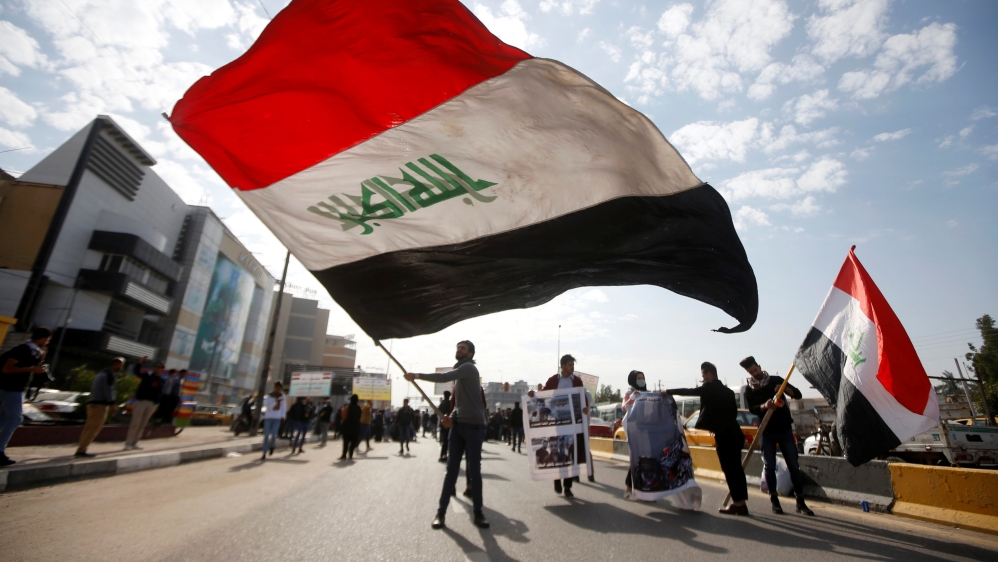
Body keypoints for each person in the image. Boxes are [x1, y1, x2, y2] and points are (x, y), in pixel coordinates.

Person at [406, 340, 489, 530]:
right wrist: (450, 417)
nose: (459, 350)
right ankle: (441, 513)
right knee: (451, 470)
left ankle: (478, 513)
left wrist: (417, 375)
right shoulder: (460, 376)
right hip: (459, 426)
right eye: (458, 348)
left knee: (474, 471)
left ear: (470, 354)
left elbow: (444, 377)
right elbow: (459, 403)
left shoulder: (468, 368)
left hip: (474, 427)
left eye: (463, 348)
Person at [667, 362, 749, 516]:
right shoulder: (729, 392)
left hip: (724, 436)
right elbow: (732, 413)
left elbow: (688, 391)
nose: (703, 379)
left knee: (730, 470)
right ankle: (741, 502)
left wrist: (668, 391)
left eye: (704, 375)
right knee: (737, 470)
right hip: (735, 434)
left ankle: (738, 504)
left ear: (710, 374)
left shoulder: (709, 387)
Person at [740, 356, 814, 516]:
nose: (755, 373)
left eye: (755, 369)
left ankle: (800, 501)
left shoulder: (775, 380)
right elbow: (752, 409)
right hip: (766, 431)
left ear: (759, 366)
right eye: (751, 372)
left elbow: (798, 395)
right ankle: (774, 501)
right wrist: (764, 406)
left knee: (793, 465)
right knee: (769, 466)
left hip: (784, 429)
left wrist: (784, 389)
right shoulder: (749, 389)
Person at [530, 353, 589, 498]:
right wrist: (533, 396)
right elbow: (543, 396)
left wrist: (585, 409)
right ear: (562, 366)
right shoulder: (552, 380)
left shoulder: (577, 381)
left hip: (572, 422)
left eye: (573, 365)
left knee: (570, 453)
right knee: (558, 451)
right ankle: (557, 479)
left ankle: (567, 486)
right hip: (556, 423)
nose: (572, 368)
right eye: (570, 365)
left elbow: (582, 399)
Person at [0, 327, 52, 466]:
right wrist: (31, 369)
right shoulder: (23, 349)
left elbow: (34, 366)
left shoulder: (33, 351)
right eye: (47, 340)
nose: (47, 343)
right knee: (15, 419)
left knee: (4, 419)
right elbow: (6, 368)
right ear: (42, 338)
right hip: (11, 389)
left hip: (13, 389)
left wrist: (41, 358)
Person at [75, 357, 123, 457]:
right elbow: (108, 390)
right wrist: (112, 405)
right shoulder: (109, 375)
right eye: (121, 365)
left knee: (88, 428)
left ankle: (81, 448)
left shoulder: (101, 374)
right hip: (100, 405)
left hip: (92, 404)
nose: (121, 367)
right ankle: (81, 450)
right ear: (116, 364)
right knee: (94, 429)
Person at [125, 356, 165, 451]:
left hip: (151, 404)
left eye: (160, 367)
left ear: (162, 369)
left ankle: (135, 443)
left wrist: (156, 403)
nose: (157, 368)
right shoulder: (147, 376)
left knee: (142, 424)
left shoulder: (162, 380)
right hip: (141, 402)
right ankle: (128, 443)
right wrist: (140, 363)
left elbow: (160, 393)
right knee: (135, 423)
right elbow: (137, 372)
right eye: (156, 366)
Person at [621, 370, 646, 499]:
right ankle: (629, 487)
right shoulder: (630, 392)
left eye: (643, 378)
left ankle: (645, 489)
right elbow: (624, 407)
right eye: (638, 378)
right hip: (634, 430)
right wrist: (632, 398)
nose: (641, 380)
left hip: (647, 429)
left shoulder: (647, 393)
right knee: (636, 460)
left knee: (647, 459)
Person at [261, 382, 286, 460]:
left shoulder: (282, 396)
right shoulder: (269, 396)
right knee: (266, 435)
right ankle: (264, 452)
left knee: (274, 435)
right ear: (274, 387)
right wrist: (276, 402)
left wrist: (283, 416)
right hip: (268, 417)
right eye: (277, 388)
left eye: (279, 388)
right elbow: (267, 407)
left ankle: (272, 446)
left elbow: (283, 407)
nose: (278, 389)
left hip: (277, 418)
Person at [339, 394, 361, 460]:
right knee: (353, 442)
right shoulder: (359, 408)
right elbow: (359, 417)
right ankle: (350, 455)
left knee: (346, 442)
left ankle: (344, 455)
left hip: (347, 427)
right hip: (355, 427)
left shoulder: (347, 407)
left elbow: (343, 417)